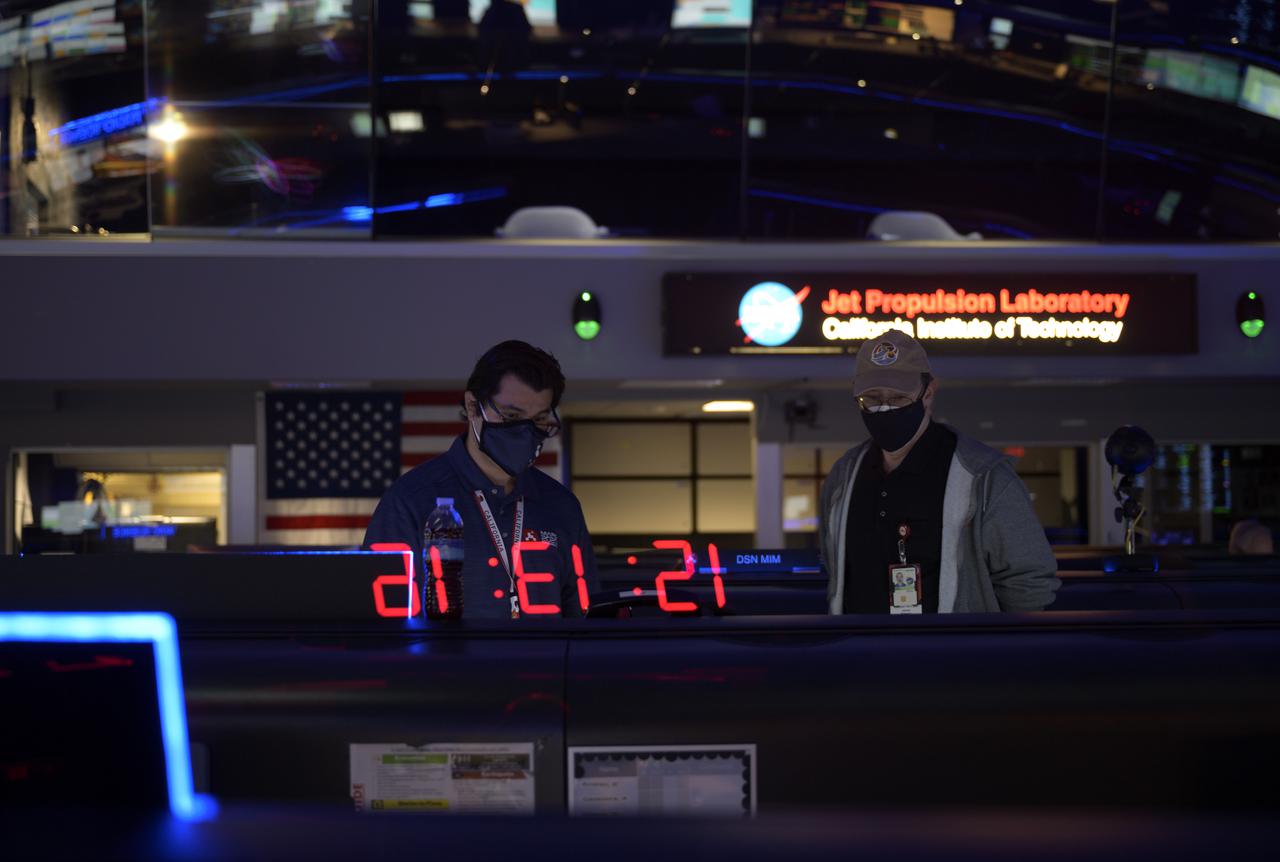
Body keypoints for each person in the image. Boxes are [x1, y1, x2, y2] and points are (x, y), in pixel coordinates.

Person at [819, 329, 1060, 614]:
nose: (884, 408)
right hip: (858, 654)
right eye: (872, 398)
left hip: (952, 655)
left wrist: (1001, 652)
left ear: (928, 393)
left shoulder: (984, 477)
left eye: (897, 399)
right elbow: (833, 569)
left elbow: (1029, 584)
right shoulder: (844, 476)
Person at [363, 340, 598, 619]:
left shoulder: (561, 506)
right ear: (473, 406)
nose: (525, 432)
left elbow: (586, 621)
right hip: (445, 663)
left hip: (545, 662)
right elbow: (378, 625)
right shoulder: (411, 499)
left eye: (539, 420)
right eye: (511, 416)